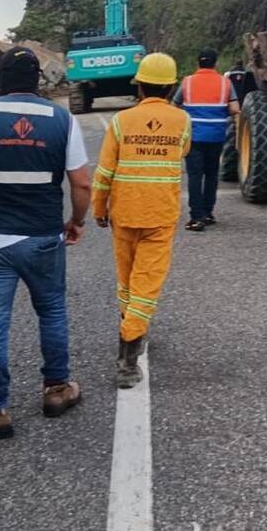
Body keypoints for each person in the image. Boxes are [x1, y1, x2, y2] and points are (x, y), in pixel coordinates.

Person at [0, 47, 91, 439]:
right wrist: (76, 221)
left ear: (1, 80)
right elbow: (81, 183)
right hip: (43, 236)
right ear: (37, 80)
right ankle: (56, 389)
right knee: (52, 311)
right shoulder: (62, 118)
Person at [92, 53, 191, 388]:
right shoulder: (182, 120)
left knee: (127, 281)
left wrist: (98, 209)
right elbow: (183, 151)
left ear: (140, 87)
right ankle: (128, 360)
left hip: (124, 214)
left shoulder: (121, 121)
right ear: (171, 87)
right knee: (146, 286)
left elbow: (104, 172)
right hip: (160, 217)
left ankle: (132, 327)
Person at [173, 48, 239, 231]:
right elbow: (235, 108)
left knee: (195, 176)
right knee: (211, 175)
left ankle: (196, 217)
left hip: (194, 137)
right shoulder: (225, 83)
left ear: (198, 62)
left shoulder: (187, 82)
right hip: (216, 136)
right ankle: (208, 213)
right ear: (215, 63)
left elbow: (175, 105)